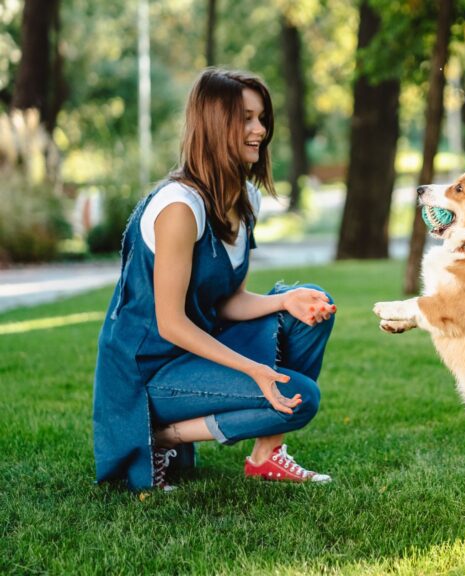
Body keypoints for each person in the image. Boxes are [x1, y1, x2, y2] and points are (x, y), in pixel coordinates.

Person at [93, 68, 336, 492]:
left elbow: (227, 301)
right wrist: (254, 369)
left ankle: (267, 455)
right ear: (213, 124)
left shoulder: (243, 198)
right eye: (245, 118)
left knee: (312, 307)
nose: (259, 130)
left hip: (197, 351)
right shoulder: (179, 208)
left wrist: (285, 301)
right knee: (303, 397)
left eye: (261, 118)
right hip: (149, 373)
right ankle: (160, 435)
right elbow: (169, 323)